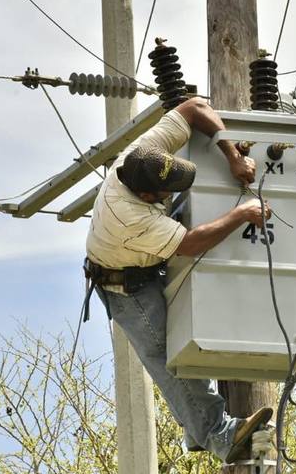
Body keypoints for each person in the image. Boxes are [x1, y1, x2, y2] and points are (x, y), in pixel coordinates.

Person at [85, 97, 273, 464]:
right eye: (165, 191)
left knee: (189, 339)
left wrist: (231, 154)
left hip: (143, 262)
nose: (171, 194)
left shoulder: (143, 155)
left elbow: (193, 108)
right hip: (125, 287)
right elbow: (190, 244)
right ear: (144, 194)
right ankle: (221, 435)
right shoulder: (127, 216)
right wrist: (242, 214)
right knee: (170, 358)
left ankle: (196, 428)